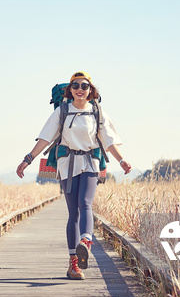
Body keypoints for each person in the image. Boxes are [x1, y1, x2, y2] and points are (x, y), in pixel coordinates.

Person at [16, 71, 132, 280]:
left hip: (90, 161)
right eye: (75, 86)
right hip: (67, 163)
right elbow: (45, 138)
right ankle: (73, 265)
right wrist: (28, 159)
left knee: (86, 203)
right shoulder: (62, 111)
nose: (80, 89)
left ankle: (85, 242)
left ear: (91, 90)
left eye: (84, 86)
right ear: (69, 90)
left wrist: (122, 160)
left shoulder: (97, 112)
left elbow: (108, 141)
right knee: (74, 213)